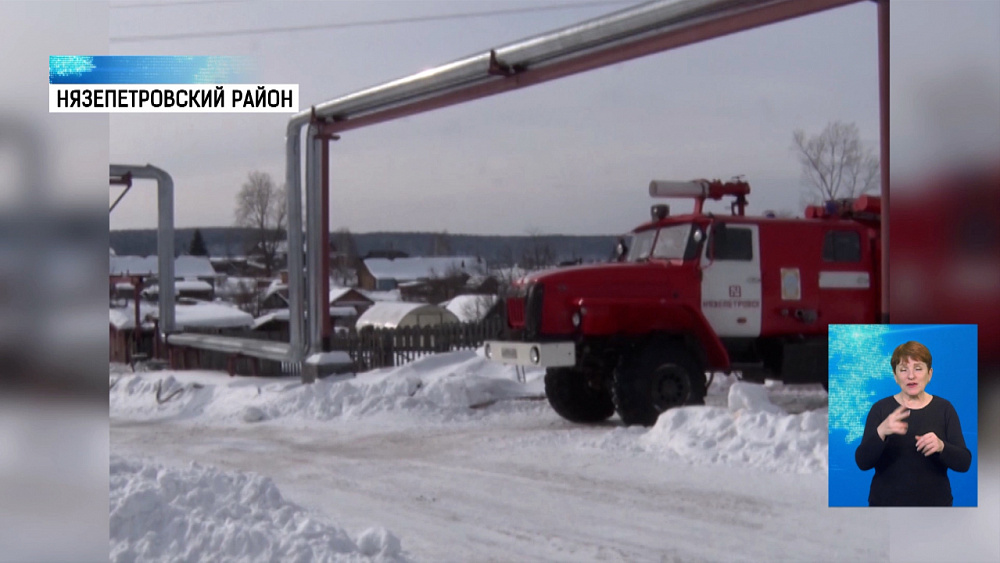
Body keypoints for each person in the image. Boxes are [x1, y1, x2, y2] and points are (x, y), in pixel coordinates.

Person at [855, 341, 972, 506]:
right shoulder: (880, 409)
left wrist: (941, 446)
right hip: (886, 509)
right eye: (903, 370)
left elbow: (964, 463)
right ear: (895, 376)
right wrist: (881, 432)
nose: (911, 376)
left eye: (918, 368)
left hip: (936, 510)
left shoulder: (945, 408)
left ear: (929, 374)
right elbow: (862, 462)